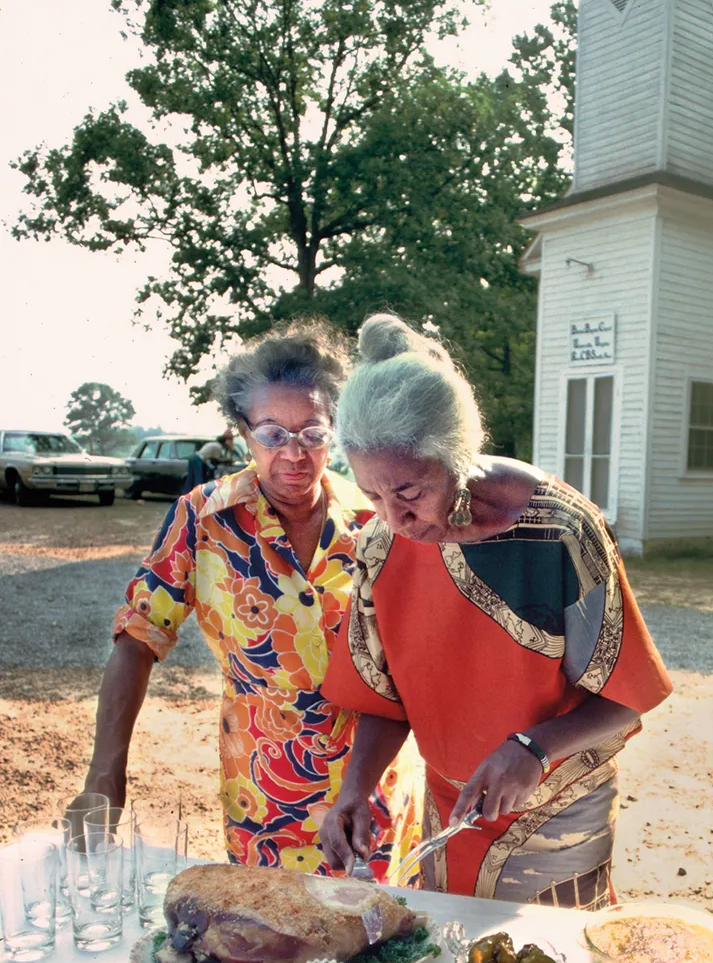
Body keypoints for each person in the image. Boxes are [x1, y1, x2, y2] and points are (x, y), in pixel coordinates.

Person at [319, 314, 672, 907]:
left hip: (555, 809)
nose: (393, 518)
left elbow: (626, 693)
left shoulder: (559, 531)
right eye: (372, 495)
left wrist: (532, 748)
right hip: (449, 810)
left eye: (408, 492)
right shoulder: (381, 546)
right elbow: (383, 697)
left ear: (458, 454)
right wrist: (355, 789)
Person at [74, 320, 395, 871]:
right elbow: (138, 638)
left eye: (312, 433)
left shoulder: (377, 520)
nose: (294, 453)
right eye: (272, 433)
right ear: (242, 433)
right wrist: (106, 774)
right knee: (265, 939)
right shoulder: (202, 519)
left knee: (374, 941)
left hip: (371, 788)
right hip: (263, 793)